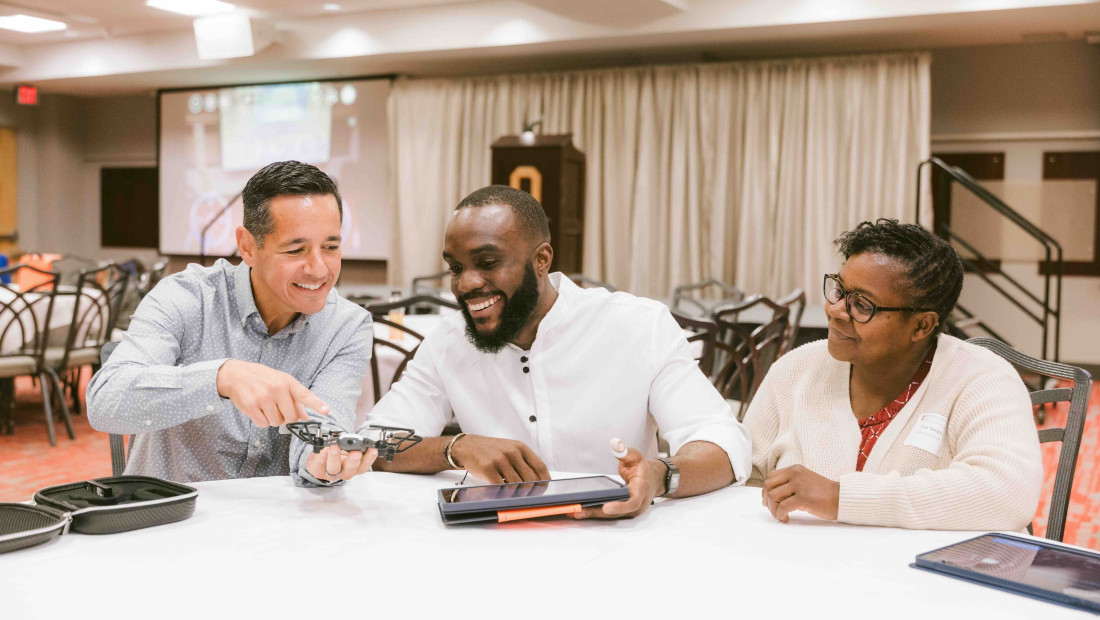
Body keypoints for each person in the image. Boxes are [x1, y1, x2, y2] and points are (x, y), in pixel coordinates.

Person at [364, 185, 751, 519]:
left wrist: (660, 476)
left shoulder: (638, 326)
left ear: (542, 259)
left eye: (487, 263)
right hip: (489, 546)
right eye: (455, 267)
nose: (466, 284)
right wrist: (456, 448)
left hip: (619, 537)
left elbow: (721, 442)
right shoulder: (448, 342)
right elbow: (375, 443)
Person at [88, 161, 374, 486]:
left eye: (331, 247)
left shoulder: (346, 326)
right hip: (167, 521)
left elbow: (325, 427)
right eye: (296, 250)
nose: (319, 269)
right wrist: (221, 378)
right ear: (248, 246)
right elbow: (105, 401)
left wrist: (324, 462)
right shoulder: (188, 298)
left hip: (272, 526)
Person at [745, 219, 1042, 530]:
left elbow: (1007, 493)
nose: (834, 310)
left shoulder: (981, 378)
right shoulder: (796, 369)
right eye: (838, 290)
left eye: (861, 304)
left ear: (921, 326)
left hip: (923, 576)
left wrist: (839, 497)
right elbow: (744, 475)